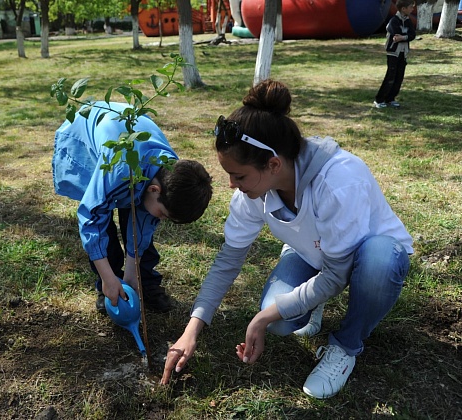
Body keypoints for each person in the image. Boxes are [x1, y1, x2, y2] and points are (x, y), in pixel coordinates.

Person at [161, 80, 413, 399]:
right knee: (281, 321)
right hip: (314, 255)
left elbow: (337, 275)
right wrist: (191, 330)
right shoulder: (253, 191)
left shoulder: (338, 181)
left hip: (370, 255)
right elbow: (227, 261)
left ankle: (346, 346)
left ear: (274, 165)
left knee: (379, 260)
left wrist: (262, 318)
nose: (231, 185)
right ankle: (313, 301)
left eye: (238, 176)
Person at [53, 101, 213, 313]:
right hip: (85, 137)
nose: (161, 220)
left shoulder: (170, 172)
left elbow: (144, 224)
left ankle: (142, 282)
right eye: (164, 214)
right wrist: (108, 278)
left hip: (136, 167)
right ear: (155, 190)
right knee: (103, 217)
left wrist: (132, 274)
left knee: (141, 213)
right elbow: (92, 217)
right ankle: (108, 285)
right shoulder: (119, 170)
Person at [373, 0, 416, 109]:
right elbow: (395, 34)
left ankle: (390, 99)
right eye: (410, 7)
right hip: (393, 53)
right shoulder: (394, 20)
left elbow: (412, 35)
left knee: (399, 77)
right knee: (390, 76)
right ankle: (379, 99)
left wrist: (403, 37)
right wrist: (403, 37)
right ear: (403, 9)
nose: (412, 9)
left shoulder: (408, 21)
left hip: (403, 53)